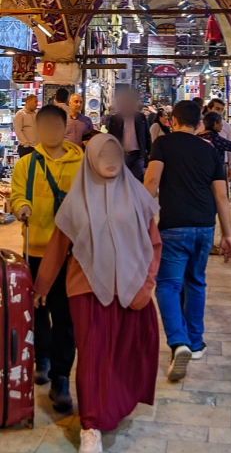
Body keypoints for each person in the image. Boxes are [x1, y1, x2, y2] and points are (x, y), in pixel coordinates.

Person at [33, 134, 161, 453]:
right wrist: (41, 287)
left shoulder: (136, 197)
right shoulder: (77, 201)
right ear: (90, 157)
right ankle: (90, 425)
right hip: (86, 289)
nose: (109, 159)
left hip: (130, 291)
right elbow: (57, 247)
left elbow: (154, 245)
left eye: (114, 153)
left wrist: (146, 286)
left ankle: (112, 408)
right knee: (93, 356)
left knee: (123, 354)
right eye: (101, 153)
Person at [144, 100, 231, 382]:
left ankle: (178, 341)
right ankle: (195, 343)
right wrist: (228, 234)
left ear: (172, 120)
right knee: (196, 282)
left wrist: (139, 220)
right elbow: (221, 196)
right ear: (199, 124)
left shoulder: (163, 145)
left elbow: (151, 183)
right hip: (204, 227)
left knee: (168, 285)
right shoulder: (210, 151)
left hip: (174, 226)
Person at [10, 105, 83, 410]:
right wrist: (22, 206)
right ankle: (42, 360)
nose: (52, 132)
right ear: (38, 130)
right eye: (46, 127)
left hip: (71, 254)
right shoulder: (26, 164)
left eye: (58, 126)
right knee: (36, 312)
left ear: (65, 127)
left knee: (65, 317)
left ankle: (62, 377)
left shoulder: (82, 163)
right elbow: (16, 195)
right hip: (37, 250)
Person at [107, 88, 151, 181]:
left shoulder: (140, 118)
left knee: (136, 180)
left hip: (137, 155)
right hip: (121, 155)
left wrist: (149, 153)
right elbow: (110, 137)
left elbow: (147, 136)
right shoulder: (115, 119)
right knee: (121, 180)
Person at [204, 98, 231, 189]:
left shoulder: (226, 126)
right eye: (217, 109)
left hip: (222, 164)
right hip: (205, 165)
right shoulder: (200, 125)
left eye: (221, 109)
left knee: (221, 191)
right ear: (209, 109)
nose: (220, 112)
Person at [14, 93, 38, 157]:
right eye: (35, 102)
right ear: (28, 102)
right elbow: (18, 131)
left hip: (37, 148)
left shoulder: (37, 114)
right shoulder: (20, 114)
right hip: (26, 148)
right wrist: (26, 144)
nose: (37, 104)